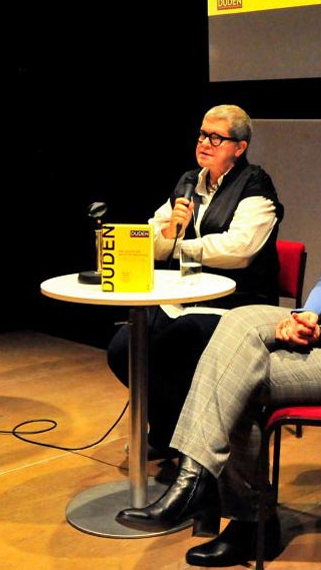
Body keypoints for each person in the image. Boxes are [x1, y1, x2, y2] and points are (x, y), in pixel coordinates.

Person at [114, 77, 321, 566]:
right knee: (238, 325)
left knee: (240, 380)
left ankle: (244, 519)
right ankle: (198, 481)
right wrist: (307, 313)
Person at [106, 104, 283, 460]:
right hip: (186, 298)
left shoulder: (255, 185)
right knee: (124, 348)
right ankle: (170, 429)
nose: (204, 143)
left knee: (174, 346)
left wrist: (180, 246)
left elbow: (240, 249)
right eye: (203, 134)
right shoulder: (189, 183)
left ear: (239, 147)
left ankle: (191, 439)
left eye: (216, 138)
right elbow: (152, 240)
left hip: (236, 303)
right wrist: (170, 232)